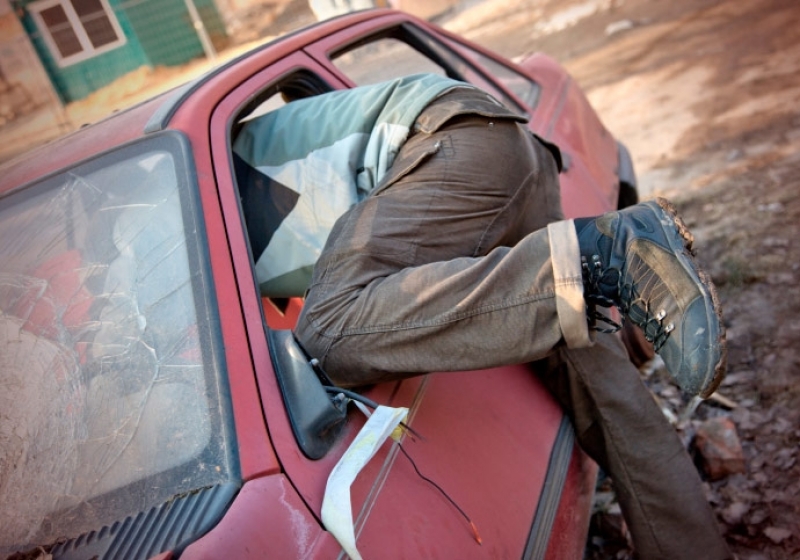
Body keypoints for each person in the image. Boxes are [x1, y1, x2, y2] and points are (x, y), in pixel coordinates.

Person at [233, 73, 730, 559]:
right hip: (495, 147)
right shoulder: (218, 174)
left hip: (448, 148)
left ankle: (606, 253)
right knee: (615, 409)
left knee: (327, 331)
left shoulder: (187, 195)